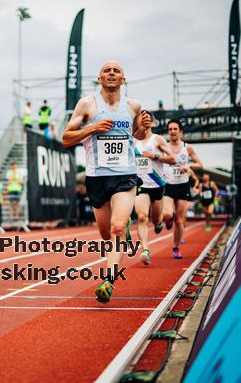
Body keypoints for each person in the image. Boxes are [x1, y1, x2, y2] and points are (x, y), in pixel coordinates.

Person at [62, 60, 152, 303]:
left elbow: (136, 136)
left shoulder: (133, 106)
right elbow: (66, 138)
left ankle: (108, 282)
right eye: (106, 71)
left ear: (123, 79)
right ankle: (123, 229)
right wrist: (91, 129)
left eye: (117, 71)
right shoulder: (87, 104)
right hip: (97, 177)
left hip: (125, 175)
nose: (111, 73)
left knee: (117, 229)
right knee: (105, 233)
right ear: (99, 79)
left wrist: (143, 129)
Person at [134, 113, 175, 266]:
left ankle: (158, 224)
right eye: (140, 120)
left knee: (157, 218)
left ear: (151, 123)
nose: (142, 123)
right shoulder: (134, 141)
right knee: (142, 217)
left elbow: (172, 159)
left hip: (157, 185)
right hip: (141, 185)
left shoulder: (157, 139)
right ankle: (145, 250)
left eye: (145, 120)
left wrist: (154, 155)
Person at [161, 119, 203, 259]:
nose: (172, 131)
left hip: (183, 185)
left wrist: (189, 166)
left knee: (179, 221)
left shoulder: (187, 148)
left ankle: (176, 247)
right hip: (168, 185)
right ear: (168, 132)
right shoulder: (163, 147)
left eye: (175, 129)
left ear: (180, 131)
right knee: (167, 214)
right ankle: (168, 219)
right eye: (170, 129)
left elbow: (200, 164)